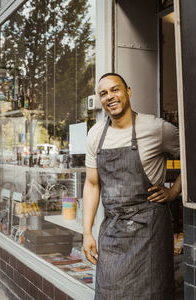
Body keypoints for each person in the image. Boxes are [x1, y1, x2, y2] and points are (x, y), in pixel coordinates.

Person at [83, 73, 181, 300]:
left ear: (128, 91)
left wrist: (174, 191)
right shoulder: (96, 135)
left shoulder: (156, 128)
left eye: (115, 90)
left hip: (150, 233)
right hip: (113, 232)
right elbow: (92, 184)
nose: (110, 97)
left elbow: (191, 153)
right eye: (104, 93)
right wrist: (87, 232)